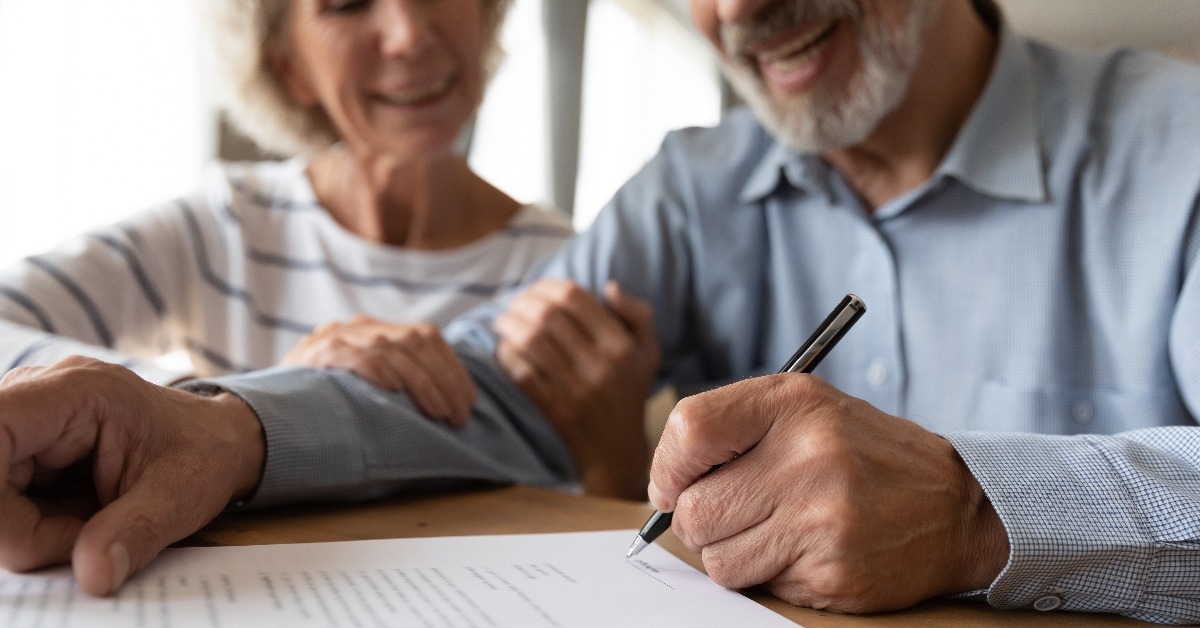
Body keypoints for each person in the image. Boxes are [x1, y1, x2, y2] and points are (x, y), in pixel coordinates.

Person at [0, 0, 1198, 623]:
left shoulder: (1176, 149)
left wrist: (977, 515)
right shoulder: (689, 189)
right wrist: (222, 430)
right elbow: (485, 391)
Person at [0, 0, 573, 426]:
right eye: (348, 3)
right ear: (288, 66)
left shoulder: (570, 266)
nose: (409, 36)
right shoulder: (228, 227)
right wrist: (235, 405)